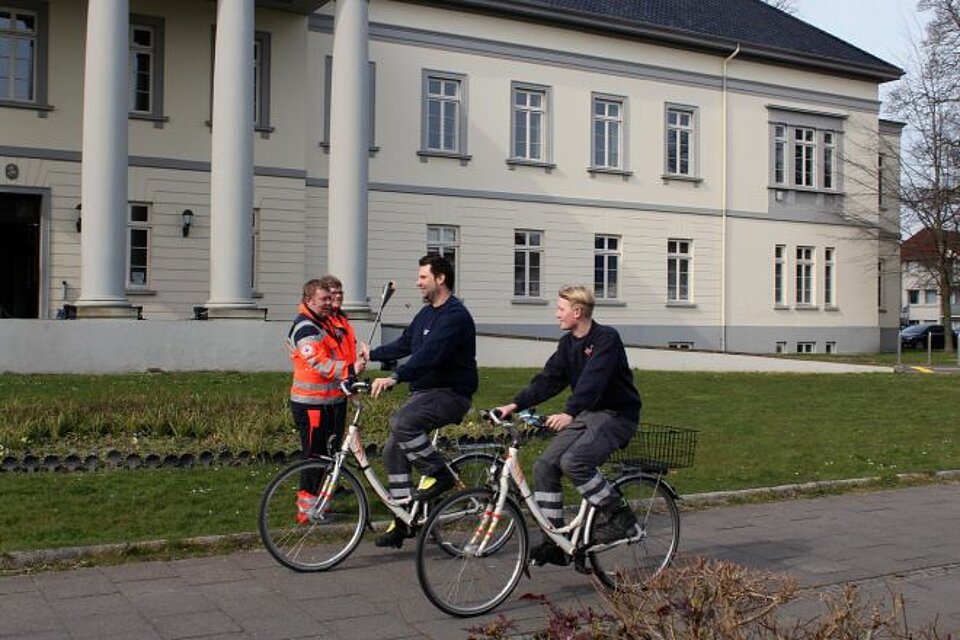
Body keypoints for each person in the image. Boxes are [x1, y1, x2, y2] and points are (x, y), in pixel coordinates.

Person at [494, 284, 642, 566]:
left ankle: (621, 517)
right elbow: (549, 379)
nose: (556, 314)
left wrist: (570, 412)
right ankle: (554, 542)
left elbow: (593, 381)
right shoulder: (567, 344)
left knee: (575, 462)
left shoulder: (606, 339)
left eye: (560, 309)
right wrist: (514, 405)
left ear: (577, 311)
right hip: (588, 414)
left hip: (616, 415)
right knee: (544, 465)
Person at [361, 254, 478, 548]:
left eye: (423, 277)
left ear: (440, 279)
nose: (417, 283)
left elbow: (430, 354)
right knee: (392, 451)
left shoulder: (455, 316)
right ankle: (404, 520)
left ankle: (440, 475)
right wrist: (372, 354)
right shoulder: (425, 314)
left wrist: (395, 377)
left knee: (402, 422)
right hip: (425, 393)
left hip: (450, 394)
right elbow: (406, 344)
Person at [287, 278, 365, 524]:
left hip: (332, 400)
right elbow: (319, 363)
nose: (330, 303)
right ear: (309, 300)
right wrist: (349, 368)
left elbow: (339, 352)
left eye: (331, 298)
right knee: (314, 456)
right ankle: (306, 510)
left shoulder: (324, 323)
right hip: (312, 404)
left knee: (330, 455)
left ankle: (321, 504)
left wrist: (350, 374)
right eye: (324, 299)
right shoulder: (305, 327)